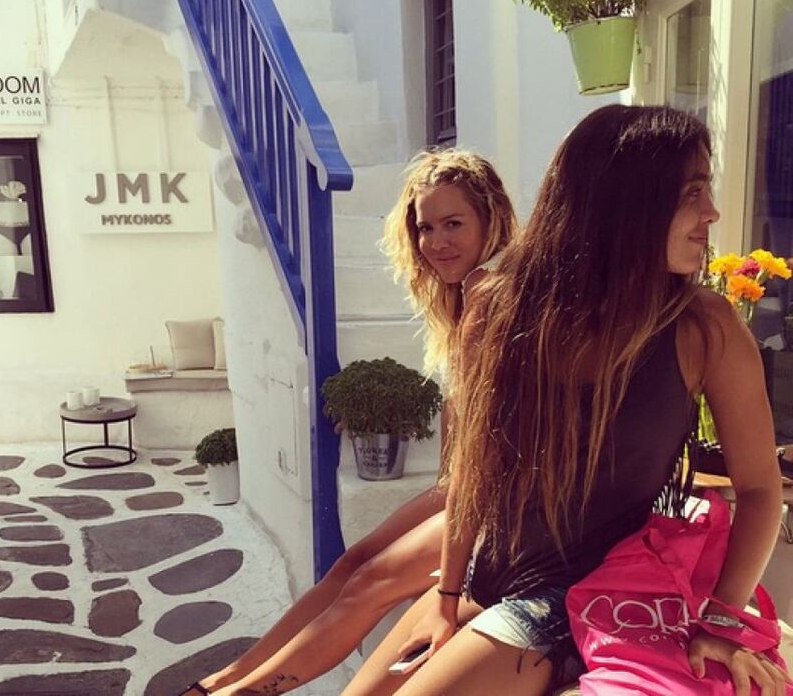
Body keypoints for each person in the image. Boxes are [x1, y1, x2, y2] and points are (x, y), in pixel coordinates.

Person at [341, 104, 787, 696]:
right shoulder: (499, 309)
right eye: (692, 192)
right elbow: (472, 473)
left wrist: (724, 621)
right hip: (487, 578)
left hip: (581, 597)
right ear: (625, 201)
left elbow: (759, 490)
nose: (712, 211)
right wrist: (446, 598)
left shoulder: (703, 325)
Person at [173, 148, 517, 696]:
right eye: (425, 227)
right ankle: (223, 681)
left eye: (454, 224)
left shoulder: (492, 294)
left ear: (490, 218)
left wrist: (449, 582)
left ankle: (236, 692)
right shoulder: (469, 294)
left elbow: (486, 443)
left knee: (370, 580)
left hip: (503, 498)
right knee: (352, 561)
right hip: (465, 483)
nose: (435, 242)